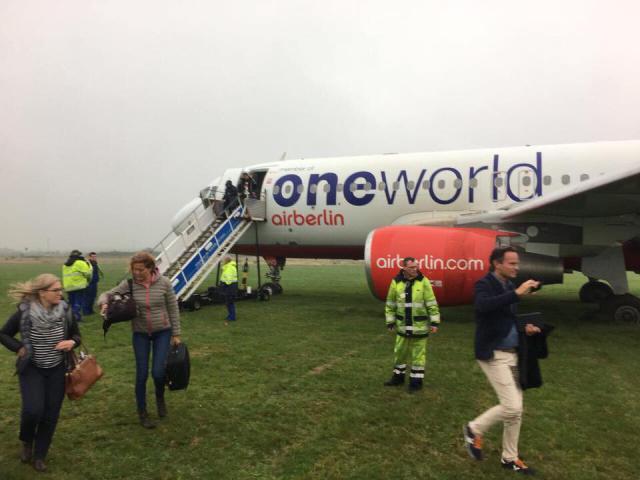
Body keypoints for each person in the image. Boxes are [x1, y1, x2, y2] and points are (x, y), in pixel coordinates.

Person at [463, 246, 542, 475]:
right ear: (497, 264)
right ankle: (473, 429)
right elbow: (483, 306)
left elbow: (506, 317)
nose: (517, 267)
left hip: (513, 353)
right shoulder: (484, 284)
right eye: (512, 263)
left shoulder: (508, 286)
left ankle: (510, 458)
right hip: (493, 353)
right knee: (511, 406)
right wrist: (516, 294)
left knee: (516, 412)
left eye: (517, 263)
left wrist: (524, 328)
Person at [0, 274, 81, 473]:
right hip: (32, 369)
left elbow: (76, 335)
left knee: (50, 414)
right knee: (33, 410)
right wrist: (19, 348)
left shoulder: (65, 310)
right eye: (56, 290)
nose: (60, 294)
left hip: (57, 369)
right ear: (42, 293)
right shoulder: (25, 311)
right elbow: (3, 333)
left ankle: (40, 455)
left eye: (60, 289)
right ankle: (27, 440)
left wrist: (72, 342)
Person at [98, 252, 181, 429]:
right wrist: (104, 303)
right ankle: (142, 412)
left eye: (140, 270)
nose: (136, 273)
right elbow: (107, 294)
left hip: (162, 332)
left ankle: (160, 397)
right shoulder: (130, 284)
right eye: (134, 269)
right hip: (140, 334)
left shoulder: (164, 283)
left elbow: (173, 308)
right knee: (141, 374)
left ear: (151, 268)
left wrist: (176, 333)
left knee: (158, 372)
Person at [384, 257, 440, 393]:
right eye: (412, 267)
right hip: (402, 326)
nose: (415, 269)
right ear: (404, 268)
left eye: (416, 267)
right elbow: (390, 304)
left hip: (419, 327)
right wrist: (390, 321)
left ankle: (416, 383)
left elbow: (431, 303)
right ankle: (398, 378)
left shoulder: (424, 282)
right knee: (399, 354)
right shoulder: (396, 282)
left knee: (418, 357)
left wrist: (434, 322)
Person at [61, 249, 92, 320]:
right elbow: (88, 273)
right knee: (78, 303)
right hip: (79, 286)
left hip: (68, 287)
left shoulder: (65, 264)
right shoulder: (80, 263)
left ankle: (69, 316)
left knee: (71, 303)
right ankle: (75, 317)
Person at [219, 256, 238, 325]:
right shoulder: (229, 267)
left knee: (230, 302)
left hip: (230, 287)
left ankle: (232, 316)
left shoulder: (229, 267)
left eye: (224, 260)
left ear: (226, 261)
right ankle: (230, 315)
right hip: (231, 287)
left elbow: (228, 279)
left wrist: (224, 284)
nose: (223, 262)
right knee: (229, 302)